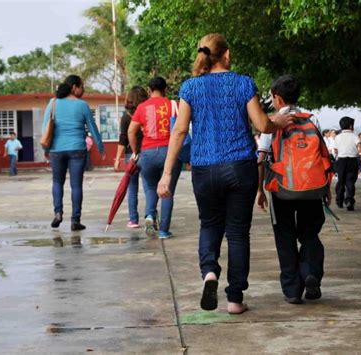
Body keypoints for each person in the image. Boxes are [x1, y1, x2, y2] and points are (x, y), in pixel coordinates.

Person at [157, 33, 292, 314]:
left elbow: (180, 131)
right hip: (240, 167)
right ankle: (234, 299)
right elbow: (261, 124)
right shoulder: (243, 83)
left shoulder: (190, 88)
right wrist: (277, 122)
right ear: (227, 54)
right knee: (238, 234)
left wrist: (167, 173)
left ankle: (209, 272)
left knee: (209, 225)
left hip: (204, 169)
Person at [256, 75, 331, 305]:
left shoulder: (273, 122)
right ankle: (310, 272)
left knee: (285, 236)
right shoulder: (312, 118)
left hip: (282, 189)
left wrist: (260, 189)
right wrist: (326, 187)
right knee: (310, 232)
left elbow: (262, 157)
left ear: (277, 98)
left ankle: (292, 289)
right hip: (312, 187)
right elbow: (322, 154)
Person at [42, 75, 105, 231]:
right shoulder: (82, 105)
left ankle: (58, 213)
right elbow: (92, 128)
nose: (83, 90)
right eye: (81, 86)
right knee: (76, 185)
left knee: (57, 182)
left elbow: (45, 128)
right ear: (74, 87)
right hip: (77, 149)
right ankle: (75, 220)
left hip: (56, 149)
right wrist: (100, 147)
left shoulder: (53, 103)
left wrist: (46, 149)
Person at [128, 77, 182, 239]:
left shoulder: (142, 108)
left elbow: (131, 131)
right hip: (170, 152)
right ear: (165, 89)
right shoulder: (174, 105)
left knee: (151, 188)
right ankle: (164, 231)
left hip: (147, 153)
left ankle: (150, 216)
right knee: (167, 191)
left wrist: (136, 151)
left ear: (149, 89)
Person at [114, 86, 149, 228]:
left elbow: (123, 139)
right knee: (149, 187)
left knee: (132, 188)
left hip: (131, 155)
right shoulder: (146, 114)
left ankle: (133, 219)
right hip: (147, 153)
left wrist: (117, 159)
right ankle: (151, 216)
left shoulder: (126, 117)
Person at [333, 116, 361, 211]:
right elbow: (360, 146)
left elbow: (335, 150)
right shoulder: (354, 136)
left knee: (341, 181)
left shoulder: (337, 137)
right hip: (352, 161)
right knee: (350, 181)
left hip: (341, 161)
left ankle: (339, 201)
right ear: (351, 126)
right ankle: (349, 201)